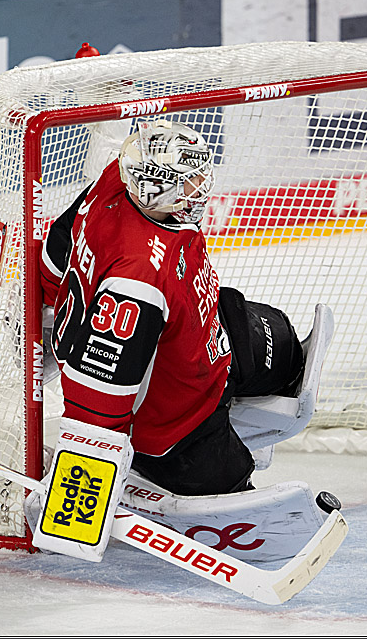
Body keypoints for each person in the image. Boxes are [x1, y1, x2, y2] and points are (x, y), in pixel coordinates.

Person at [39, 119, 307, 498]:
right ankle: (167, 462)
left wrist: (45, 308)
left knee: (285, 346)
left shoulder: (115, 181)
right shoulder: (136, 283)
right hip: (175, 420)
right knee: (228, 483)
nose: (201, 188)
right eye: (189, 181)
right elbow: (98, 395)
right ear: (156, 189)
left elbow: (57, 245)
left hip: (207, 336)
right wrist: (83, 488)